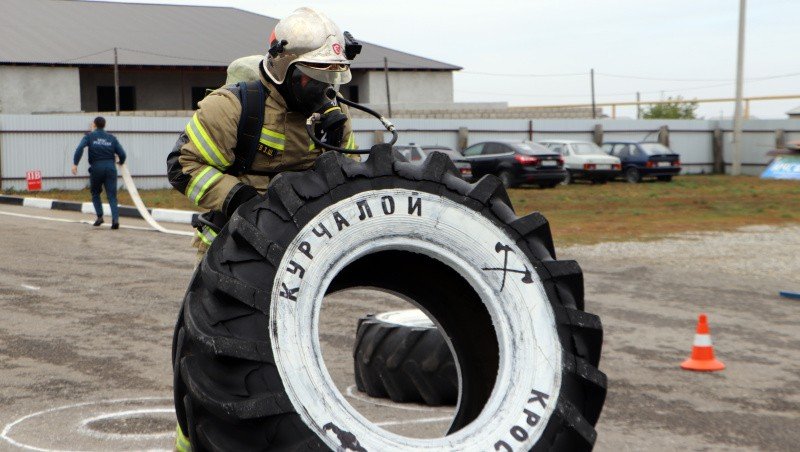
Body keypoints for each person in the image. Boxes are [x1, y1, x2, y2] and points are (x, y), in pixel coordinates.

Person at [167, 7, 358, 261]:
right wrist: (238, 199)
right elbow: (183, 166)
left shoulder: (335, 113)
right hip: (230, 247)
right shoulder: (231, 107)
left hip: (302, 253)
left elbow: (349, 176)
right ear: (283, 69)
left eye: (330, 74)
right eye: (312, 75)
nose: (322, 87)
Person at [72, 116, 126, 229]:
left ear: (94, 125)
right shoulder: (111, 138)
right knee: (112, 195)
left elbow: (79, 148)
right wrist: (121, 161)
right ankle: (115, 220)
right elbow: (122, 153)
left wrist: (75, 164)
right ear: (104, 125)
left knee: (96, 193)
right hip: (110, 168)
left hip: (96, 168)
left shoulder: (89, 136)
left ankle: (100, 217)